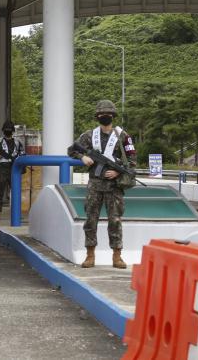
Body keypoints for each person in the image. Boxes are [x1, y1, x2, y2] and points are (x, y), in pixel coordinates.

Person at [67, 99, 136, 269]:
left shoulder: (123, 137)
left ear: (113, 116)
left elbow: (133, 160)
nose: (105, 116)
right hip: (95, 185)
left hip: (114, 187)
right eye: (102, 114)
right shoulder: (89, 135)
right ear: (97, 116)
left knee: (115, 221)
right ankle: (90, 255)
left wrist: (118, 171)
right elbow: (71, 150)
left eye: (108, 114)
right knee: (90, 220)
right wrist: (82, 157)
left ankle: (117, 256)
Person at [0, 120, 25, 221]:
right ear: (4, 131)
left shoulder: (17, 143)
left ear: (12, 131)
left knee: (16, 191)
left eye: (9, 130)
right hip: (2, 167)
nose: (8, 131)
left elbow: (22, 154)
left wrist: (20, 163)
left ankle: (17, 213)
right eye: (6, 130)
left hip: (14, 167)